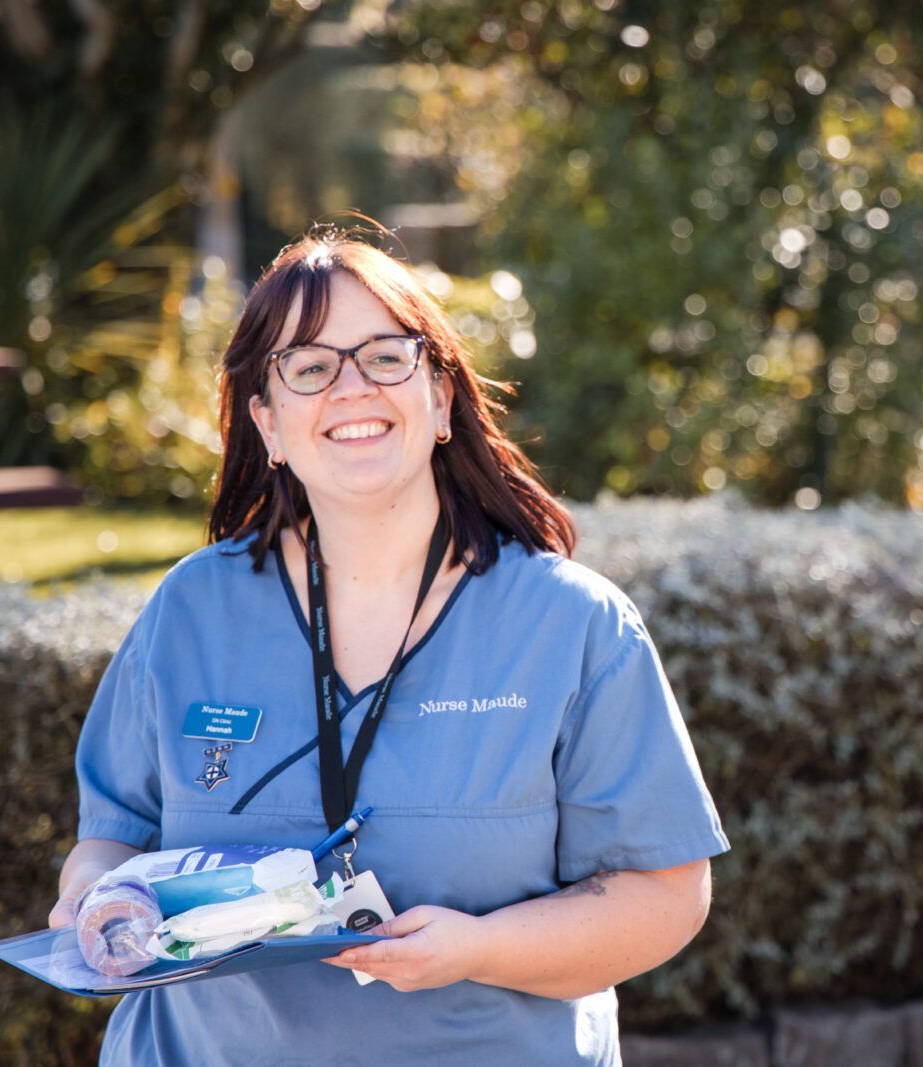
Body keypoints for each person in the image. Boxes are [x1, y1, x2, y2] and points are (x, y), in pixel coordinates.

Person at [47, 226, 730, 1066]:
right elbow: (114, 834)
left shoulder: (572, 626)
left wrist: (479, 947)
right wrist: (91, 898)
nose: (350, 388)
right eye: (308, 366)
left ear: (440, 397)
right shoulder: (191, 609)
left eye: (384, 356)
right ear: (267, 421)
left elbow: (665, 897)